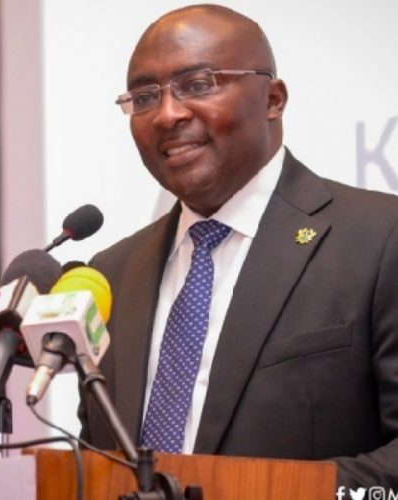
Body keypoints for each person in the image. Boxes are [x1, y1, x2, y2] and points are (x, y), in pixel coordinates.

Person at [79, 3, 398, 490]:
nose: (167, 114)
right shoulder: (112, 275)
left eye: (197, 85)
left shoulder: (380, 237)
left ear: (273, 99)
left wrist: (260, 491)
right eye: (144, 97)